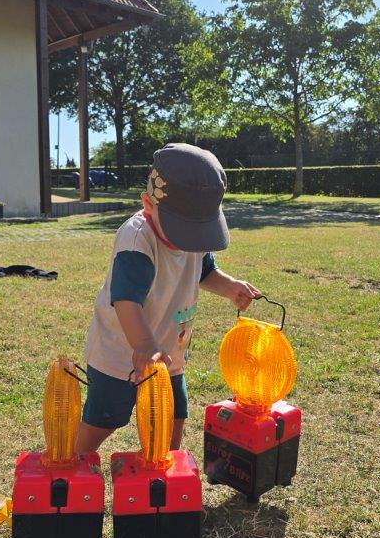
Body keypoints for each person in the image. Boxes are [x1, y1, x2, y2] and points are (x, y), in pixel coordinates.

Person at [76, 143, 261, 454]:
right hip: (120, 355)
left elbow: (204, 271)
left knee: (173, 414)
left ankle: (163, 468)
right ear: (148, 204)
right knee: (103, 419)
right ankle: (74, 463)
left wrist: (229, 286)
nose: (191, 241)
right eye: (183, 230)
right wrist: (143, 345)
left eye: (198, 231)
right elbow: (126, 301)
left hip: (169, 355)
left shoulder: (195, 239)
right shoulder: (137, 240)